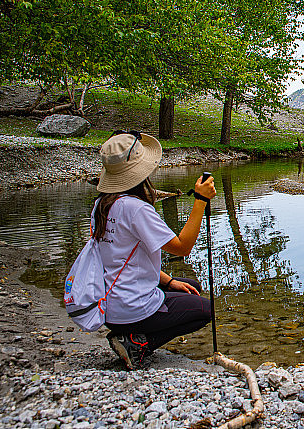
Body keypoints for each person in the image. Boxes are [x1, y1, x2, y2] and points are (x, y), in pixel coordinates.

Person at [93, 130, 217, 370]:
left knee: (191, 287)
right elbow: (182, 248)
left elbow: (116, 260)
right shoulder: (136, 209)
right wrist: (200, 200)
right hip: (130, 307)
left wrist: (169, 282)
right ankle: (138, 342)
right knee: (205, 309)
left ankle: (129, 332)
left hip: (109, 305)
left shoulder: (101, 205)